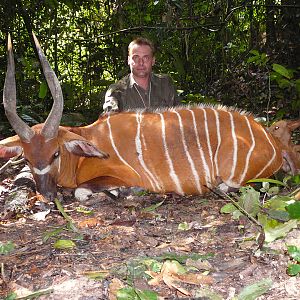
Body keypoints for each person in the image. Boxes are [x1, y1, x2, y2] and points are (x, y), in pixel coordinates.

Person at [103, 37, 180, 113]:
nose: (141, 63)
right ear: (129, 60)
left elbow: (178, 116)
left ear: (153, 61)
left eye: (145, 58)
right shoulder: (116, 91)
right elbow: (110, 119)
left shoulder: (165, 84)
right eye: (136, 58)